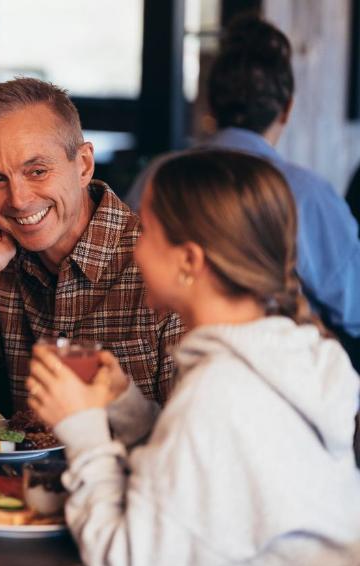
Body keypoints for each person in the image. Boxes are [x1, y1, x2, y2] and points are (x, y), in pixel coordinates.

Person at [29, 150, 360, 566]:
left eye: (146, 232)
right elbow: (204, 478)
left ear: (189, 261)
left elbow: (128, 565)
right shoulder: (281, 354)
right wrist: (125, 406)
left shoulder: (220, 392)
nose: (135, 251)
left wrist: (83, 428)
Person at [0, 77, 183, 414]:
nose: (19, 200)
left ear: (83, 165)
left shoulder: (166, 264)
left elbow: (192, 445)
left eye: (37, 171)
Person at [126, 16, 360, 339]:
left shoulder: (158, 178)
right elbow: (355, 308)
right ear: (287, 109)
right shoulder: (306, 194)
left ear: (209, 103)